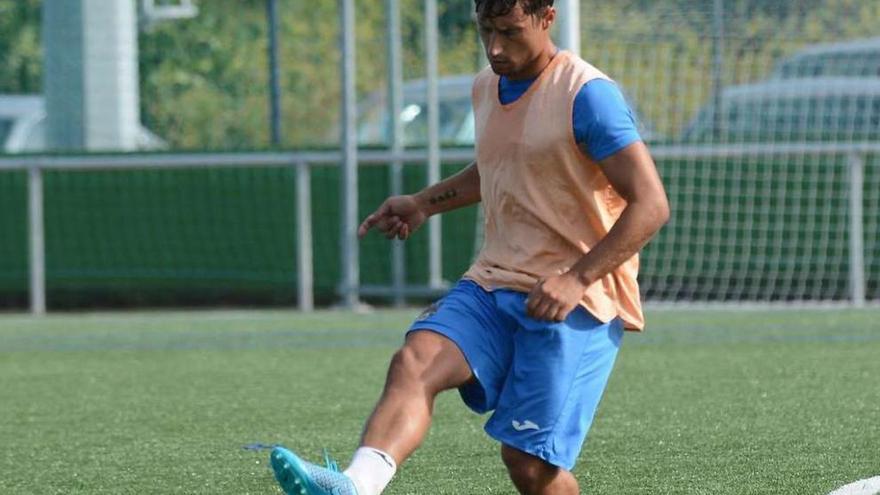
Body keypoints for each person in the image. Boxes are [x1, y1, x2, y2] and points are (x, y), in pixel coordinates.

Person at [269, 0, 670, 493]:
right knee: (415, 360)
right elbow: (503, 166)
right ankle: (356, 485)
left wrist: (577, 278)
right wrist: (424, 203)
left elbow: (651, 205)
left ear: (547, 17)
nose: (495, 47)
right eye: (486, 30)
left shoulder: (587, 96)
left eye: (510, 31)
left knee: (528, 465)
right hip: (493, 281)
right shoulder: (487, 85)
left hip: (574, 301)